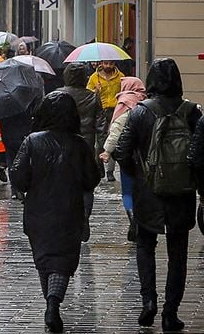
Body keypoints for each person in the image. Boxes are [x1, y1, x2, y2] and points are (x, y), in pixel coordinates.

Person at [114, 58, 201, 331]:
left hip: (147, 190)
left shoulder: (140, 112)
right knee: (178, 252)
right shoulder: (192, 112)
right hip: (181, 191)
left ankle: (148, 301)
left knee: (145, 244)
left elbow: (121, 151)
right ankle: (170, 312)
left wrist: (138, 174)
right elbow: (199, 155)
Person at [9, 91, 101, 333]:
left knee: (44, 259)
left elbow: (18, 176)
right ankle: (53, 302)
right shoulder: (79, 144)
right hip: (69, 211)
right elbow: (92, 178)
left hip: (38, 211)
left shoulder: (32, 141)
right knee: (62, 261)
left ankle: (51, 303)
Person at [58, 62, 102, 239]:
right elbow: (101, 125)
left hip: (61, 146)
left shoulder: (57, 95)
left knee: (63, 183)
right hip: (86, 145)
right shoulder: (92, 97)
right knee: (86, 185)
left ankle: (67, 218)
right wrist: (102, 150)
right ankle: (84, 216)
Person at [100, 77, 147, 242]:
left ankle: (132, 216)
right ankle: (141, 219)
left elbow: (116, 130)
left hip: (127, 156)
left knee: (127, 190)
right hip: (144, 156)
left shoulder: (125, 102)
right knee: (141, 188)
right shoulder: (145, 103)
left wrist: (107, 150)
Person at [87, 60, 125, 181]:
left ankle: (110, 171)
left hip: (115, 110)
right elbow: (88, 94)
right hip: (100, 111)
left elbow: (124, 92)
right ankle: (100, 169)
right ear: (101, 64)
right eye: (106, 63)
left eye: (111, 64)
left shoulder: (121, 77)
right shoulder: (94, 77)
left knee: (113, 139)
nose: (108, 66)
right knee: (100, 142)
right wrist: (96, 91)